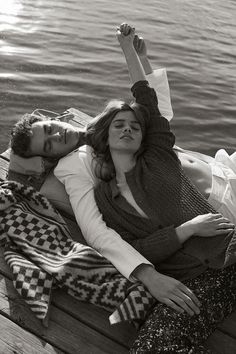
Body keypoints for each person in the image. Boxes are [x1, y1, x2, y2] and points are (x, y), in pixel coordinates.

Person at [9, 30, 236, 320]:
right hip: (217, 205)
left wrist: (142, 60)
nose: (57, 134)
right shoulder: (73, 166)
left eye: (50, 127)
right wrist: (147, 275)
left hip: (222, 167)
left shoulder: (98, 126)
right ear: (48, 157)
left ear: (56, 118)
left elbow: (159, 117)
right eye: (49, 144)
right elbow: (96, 231)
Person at [72, 23, 236, 353]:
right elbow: (138, 250)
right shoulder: (106, 198)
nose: (128, 129)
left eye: (134, 126)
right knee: (153, 345)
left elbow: (145, 95)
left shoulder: (157, 156)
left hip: (230, 246)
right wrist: (186, 230)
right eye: (119, 125)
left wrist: (128, 49)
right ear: (105, 136)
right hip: (195, 281)